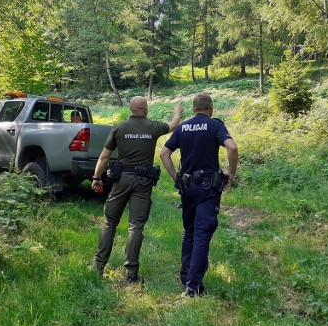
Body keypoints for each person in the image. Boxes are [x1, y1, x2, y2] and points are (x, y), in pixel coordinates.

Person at [91, 96, 183, 284]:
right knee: (136, 226)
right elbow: (173, 126)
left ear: (131, 109)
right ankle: (131, 274)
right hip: (142, 182)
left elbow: (104, 157)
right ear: (145, 109)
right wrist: (177, 111)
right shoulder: (153, 127)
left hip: (121, 181)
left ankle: (98, 266)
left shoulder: (119, 128)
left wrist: (96, 178)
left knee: (109, 223)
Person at [160, 93, 238, 297]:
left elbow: (164, 154)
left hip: (187, 188)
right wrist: (231, 173)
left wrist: (176, 177)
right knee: (202, 235)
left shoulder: (183, 127)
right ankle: (192, 287)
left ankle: (186, 276)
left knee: (189, 232)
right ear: (210, 107)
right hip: (207, 189)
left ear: (194, 108)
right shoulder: (214, 125)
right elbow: (232, 147)